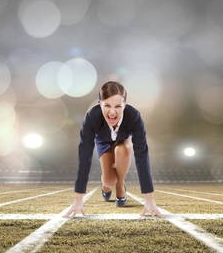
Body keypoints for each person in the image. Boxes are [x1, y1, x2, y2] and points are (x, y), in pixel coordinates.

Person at [65, 81, 162, 217]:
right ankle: (106, 186)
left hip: (123, 140)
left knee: (122, 150)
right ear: (100, 104)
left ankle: (120, 185)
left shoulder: (133, 116)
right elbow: (85, 155)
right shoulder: (92, 116)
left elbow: (142, 154)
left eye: (118, 106)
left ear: (125, 105)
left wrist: (149, 200)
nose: (112, 112)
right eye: (107, 105)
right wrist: (78, 200)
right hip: (103, 141)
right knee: (109, 180)